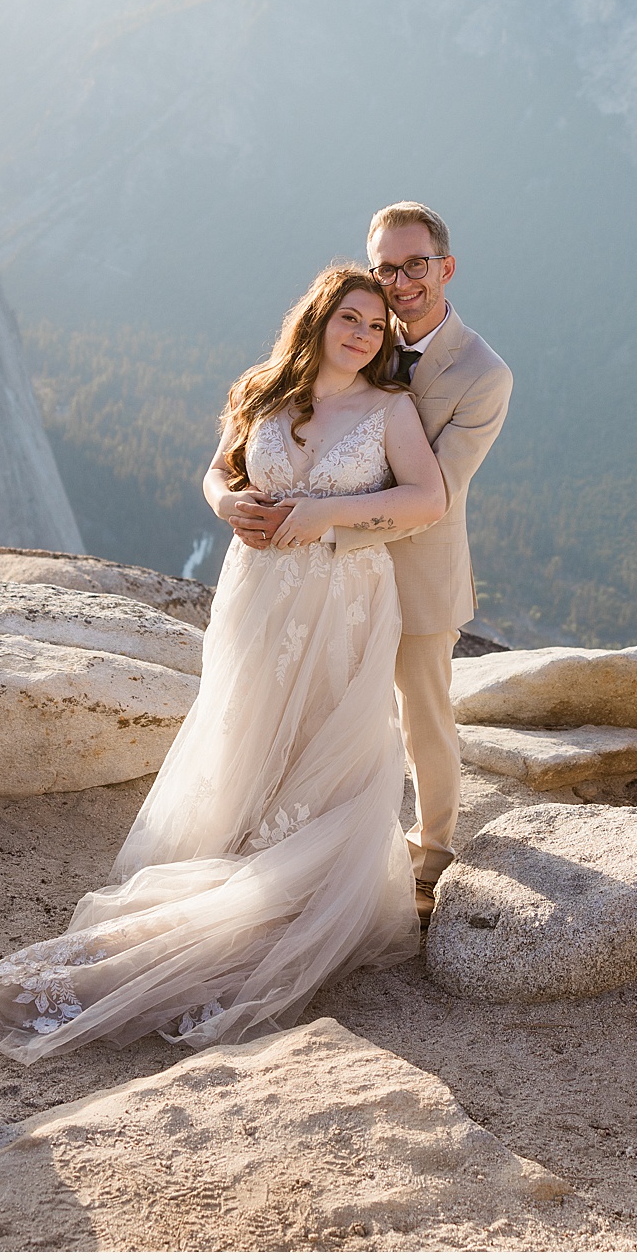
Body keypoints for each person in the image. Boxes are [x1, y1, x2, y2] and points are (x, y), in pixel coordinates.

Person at [0, 265, 447, 1062]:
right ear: (318, 319)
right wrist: (226, 503)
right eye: (349, 317)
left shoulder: (390, 410)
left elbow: (429, 499)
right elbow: (218, 470)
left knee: (328, 734)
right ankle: (234, 844)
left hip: (342, 596)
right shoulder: (262, 389)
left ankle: (288, 873)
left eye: (375, 326)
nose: (361, 334)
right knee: (244, 720)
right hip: (256, 590)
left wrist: (325, 512)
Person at [222, 203, 512, 922]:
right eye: (386, 265)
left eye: (416, 264)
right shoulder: (362, 334)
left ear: (445, 267)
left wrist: (320, 522)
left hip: (411, 568)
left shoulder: (483, 373)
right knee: (328, 716)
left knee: (421, 719)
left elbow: (435, 494)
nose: (400, 278)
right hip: (316, 575)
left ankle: (431, 856)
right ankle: (323, 848)